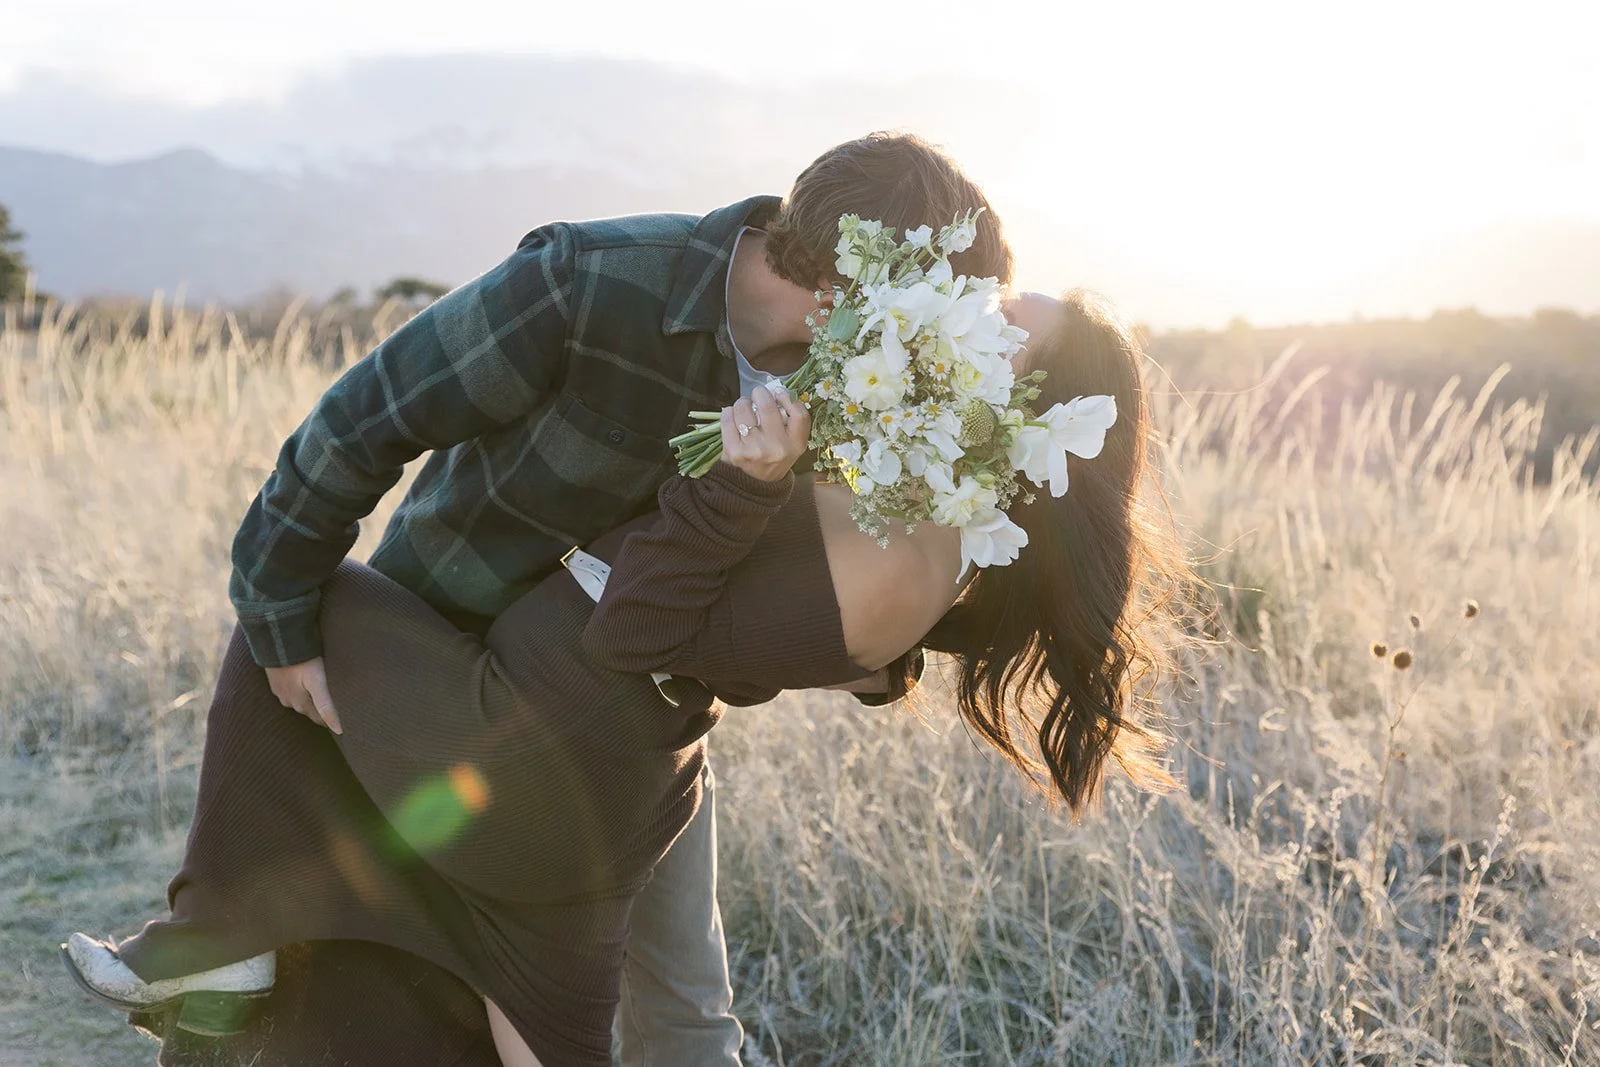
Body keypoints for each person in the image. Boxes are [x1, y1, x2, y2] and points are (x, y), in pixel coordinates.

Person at [63, 290, 1185, 1066]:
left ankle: (217, 937)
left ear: (1026, 407)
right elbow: (775, 635)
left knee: (287, 597)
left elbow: (638, 624)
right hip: (645, 757)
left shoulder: (911, 546)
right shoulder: (933, 511)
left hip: (562, 724)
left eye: (1006, 328)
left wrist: (744, 484)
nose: (977, 316)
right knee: (644, 1025)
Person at [196, 130, 1012, 1067]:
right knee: (424, 983)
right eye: (931, 309)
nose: (931, 343)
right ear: (851, 285)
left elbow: (814, 591)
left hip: (645, 725)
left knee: (686, 1012)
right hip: (458, 676)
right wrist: (281, 622)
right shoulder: (589, 279)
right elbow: (359, 423)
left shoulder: (860, 388)